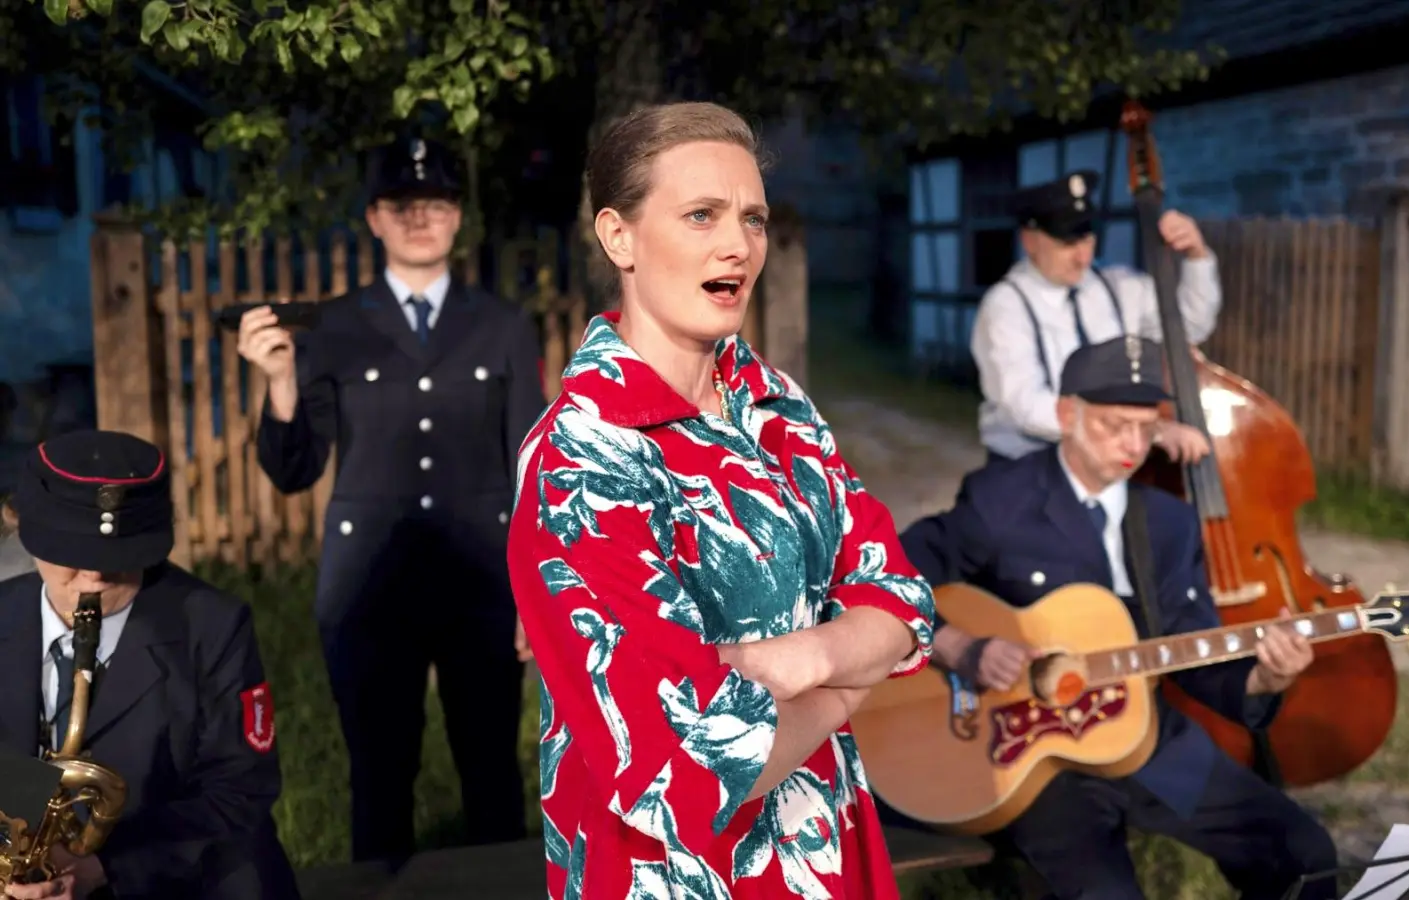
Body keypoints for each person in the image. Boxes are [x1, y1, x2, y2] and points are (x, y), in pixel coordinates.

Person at [506, 101, 937, 899]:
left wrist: (800, 661)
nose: (737, 245)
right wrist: (852, 680)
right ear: (618, 236)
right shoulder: (578, 458)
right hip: (674, 878)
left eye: (752, 218)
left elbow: (901, 598)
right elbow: (691, 762)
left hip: (828, 845)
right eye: (700, 215)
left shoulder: (775, 403)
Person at [896, 336, 1339, 900]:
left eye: (1146, 427)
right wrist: (959, 647)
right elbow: (886, 573)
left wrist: (1266, 678)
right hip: (1038, 760)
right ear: (1066, 414)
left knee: (1305, 852)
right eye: (1114, 426)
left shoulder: (1169, 522)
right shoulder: (1000, 501)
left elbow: (1195, 650)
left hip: (1145, 734)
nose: (1133, 445)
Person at [235, 135, 543, 866]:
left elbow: (533, 466)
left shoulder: (501, 325)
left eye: (435, 203)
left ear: (457, 217)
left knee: (492, 773)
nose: (419, 218)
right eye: (402, 205)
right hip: (370, 584)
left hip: (480, 583)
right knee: (378, 775)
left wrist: (537, 590)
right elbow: (292, 469)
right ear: (374, 218)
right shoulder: (335, 326)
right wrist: (279, 381)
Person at [0, 430, 299, 900]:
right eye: (72, 558)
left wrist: (103, 867)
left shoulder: (212, 627)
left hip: (170, 877)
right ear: (27, 537)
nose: (95, 576)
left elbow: (239, 792)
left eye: (120, 559)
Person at [970, 170, 1218, 466]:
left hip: (1107, 465)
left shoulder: (1119, 287)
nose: (1083, 257)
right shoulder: (1005, 306)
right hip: (1030, 465)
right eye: (1067, 244)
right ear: (1030, 241)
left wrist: (1196, 255)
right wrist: (1144, 429)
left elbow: (1190, 326)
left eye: (1087, 239)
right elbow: (1025, 407)